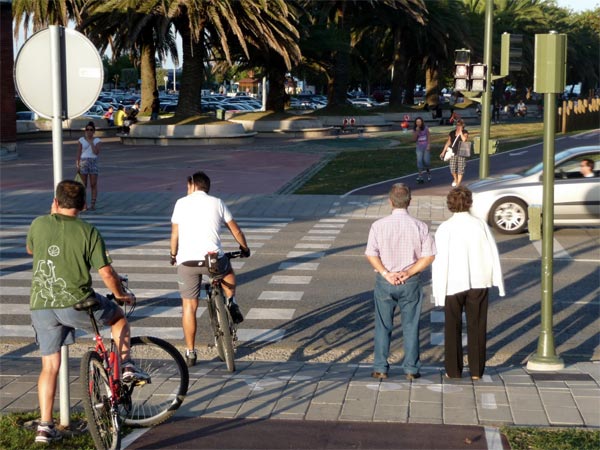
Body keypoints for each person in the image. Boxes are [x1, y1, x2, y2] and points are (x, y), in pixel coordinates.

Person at [26, 180, 149, 444]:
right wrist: (120, 294)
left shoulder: (39, 223)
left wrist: (50, 216)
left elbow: (31, 249)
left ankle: (45, 427)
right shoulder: (89, 231)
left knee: (50, 366)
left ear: (56, 202)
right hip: (76, 303)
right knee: (118, 319)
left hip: (42, 305)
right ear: (83, 205)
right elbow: (106, 272)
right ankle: (127, 366)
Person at [170, 171, 251, 367]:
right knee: (228, 274)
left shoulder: (181, 203)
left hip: (188, 263)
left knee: (189, 307)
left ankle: (190, 352)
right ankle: (231, 301)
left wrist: (173, 255)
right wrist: (245, 248)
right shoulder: (218, 202)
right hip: (213, 259)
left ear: (192, 185)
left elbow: (175, 236)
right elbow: (236, 230)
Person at [431, 186, 505, 381]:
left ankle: (453, 370)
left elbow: (439, 261)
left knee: (452, 327)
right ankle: (476, 371)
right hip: (479, 281)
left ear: (450, 205)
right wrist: (497, 280)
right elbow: (492, 253)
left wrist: (438, 291)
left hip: (452, 282)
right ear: (470, 203)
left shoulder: (445, 228)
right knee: (477, 326)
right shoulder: (480, 224)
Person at [365, 183, 436, 380]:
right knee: (411, 325)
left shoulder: (378, 225)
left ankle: (380, 367)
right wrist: (409, 272)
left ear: (390, 202)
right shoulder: (420, 226)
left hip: (385, 281)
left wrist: (386, 273)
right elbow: (429, 256)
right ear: (409, 202)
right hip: (410, 281)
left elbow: (371, 254)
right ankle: (411, 369)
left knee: (383, 324)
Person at [76, 121, 101, 211]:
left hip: (93, 161)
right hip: (83, 161)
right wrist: (77, 164)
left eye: (91, 130)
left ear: (94, 131)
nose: (89, 131)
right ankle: (84, 204)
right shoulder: (81, 140)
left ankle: (93, 203)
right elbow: (78, 152)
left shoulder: (97, 140)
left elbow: (96, 152)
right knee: (83, 185)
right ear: (85, 131)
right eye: (87, 129)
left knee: (93, 184)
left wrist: (91, 142)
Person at [440, 119, 469, 187]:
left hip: (462, 152)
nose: (458, 126)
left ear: (462, 126)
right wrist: (443, 151)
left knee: (460, 169)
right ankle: (455, 179)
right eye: (457, 125)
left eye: (460, 125)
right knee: (452, 168)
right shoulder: (452, 133)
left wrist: (460, 132)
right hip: (453, 152)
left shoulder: (465, 132)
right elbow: (448, 142)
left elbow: (464, 140)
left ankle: (458, 184)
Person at [412, 117, 431, 183]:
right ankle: (420, 176)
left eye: (419, 122)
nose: (418, 123)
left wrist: (428, 145)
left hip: (426, 146)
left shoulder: (425, 128)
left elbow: (428, 136)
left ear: (422, 122)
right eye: (417, 122)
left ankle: (428, 173)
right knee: (419, 161)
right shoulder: (415, 129)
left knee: (427, 162)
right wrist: (417, 131)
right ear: (415, 123)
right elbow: (414, 139)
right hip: (419, 147)